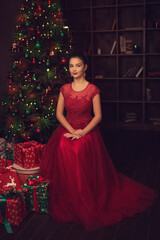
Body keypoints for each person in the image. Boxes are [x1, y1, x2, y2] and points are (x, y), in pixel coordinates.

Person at [40, 53, 158, 231]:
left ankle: (84, 194)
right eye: (71, 66)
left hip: (87, 131)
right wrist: (72, 131)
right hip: (68, 129)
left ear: (85, 67)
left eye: (78, 65)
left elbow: (98, 116)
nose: (74, 69)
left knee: (80, 149)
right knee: (65, 146)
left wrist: (83, 132)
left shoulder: (93, 89)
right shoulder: (64, 89)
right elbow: (59, 114)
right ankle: (70, 194)